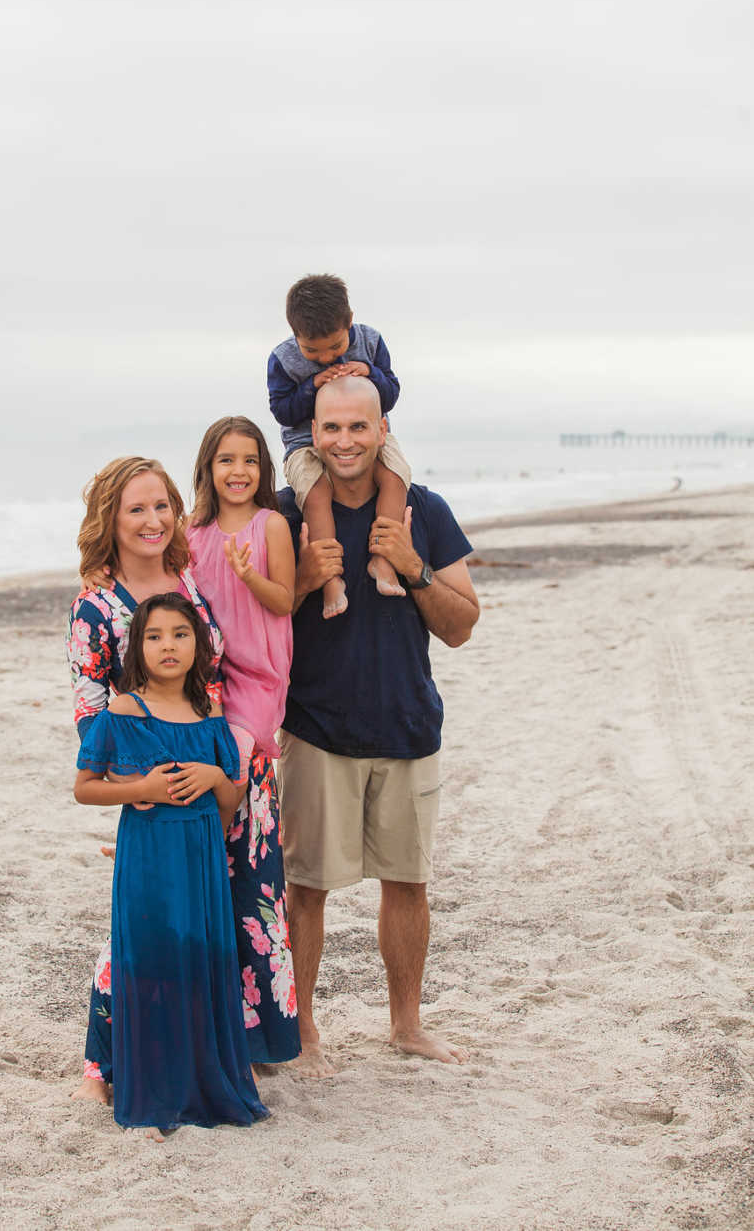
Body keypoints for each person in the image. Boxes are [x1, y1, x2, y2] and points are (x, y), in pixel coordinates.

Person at [67, 456, 298, 1102]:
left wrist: (243, 741)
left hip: (229, 766)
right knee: (145, 924)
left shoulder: (189, 574)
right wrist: (142, 788)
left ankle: (230, 1044)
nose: (152, 520)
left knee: (238, 909)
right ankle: (103, 1063)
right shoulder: (96, 606)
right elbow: (91, 710)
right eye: (136, 508)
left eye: (162, 506)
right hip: (160, 790)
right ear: (110, 519)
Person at [277, 376, 480, 1078]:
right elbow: (254, 616)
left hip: (407, 723)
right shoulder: (288, 511)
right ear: (313, 433)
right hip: (314, 727)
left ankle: (406, 1025)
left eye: (358, 429)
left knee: (408, 884)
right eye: (330, 430)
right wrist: (304, 578)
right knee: (306, 888)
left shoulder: (425, 510)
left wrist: (413, 567)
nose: (344, 443)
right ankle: (303, 1033)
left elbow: (462, 625)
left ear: (382, 430)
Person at [75, 593, 269, 1131]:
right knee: (153, 955)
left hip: (202, 853)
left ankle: (200, 1077)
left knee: (198, 954)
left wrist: (214, 779)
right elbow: (84, 788)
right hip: (149, 854)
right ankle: (151, 1079)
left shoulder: (210, 715)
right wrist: (141, 787)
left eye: (180, 635)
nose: (168, 646)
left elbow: (230, 803)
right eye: (155, 635)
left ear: (199, 646)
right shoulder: (123, 711)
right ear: (137, 646)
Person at [267, 273, 410, 619]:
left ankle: (383, 559)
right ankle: (331, 579)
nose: (325, 357)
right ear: (294, 333)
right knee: (315, 495)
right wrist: (312, 386)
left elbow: (391, 392)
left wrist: (369, 372)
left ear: (349, 323)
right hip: (305, 441)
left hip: (366, 435)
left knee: (396, 476)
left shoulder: (371, 342)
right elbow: (281, 410)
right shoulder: (283, 360)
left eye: (334, 346)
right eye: (311, 350)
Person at [187, 415, 295, 784]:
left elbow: (284, 601)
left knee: (234, 762)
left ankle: (212, 839)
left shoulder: (271, 525)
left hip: (256, 674)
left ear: (263, 469)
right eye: (226, 460)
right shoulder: (192, 530)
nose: (239, 470)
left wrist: (249, 577)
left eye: (250, 460)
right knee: (188, 755)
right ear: (208, 468)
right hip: (203, 671)